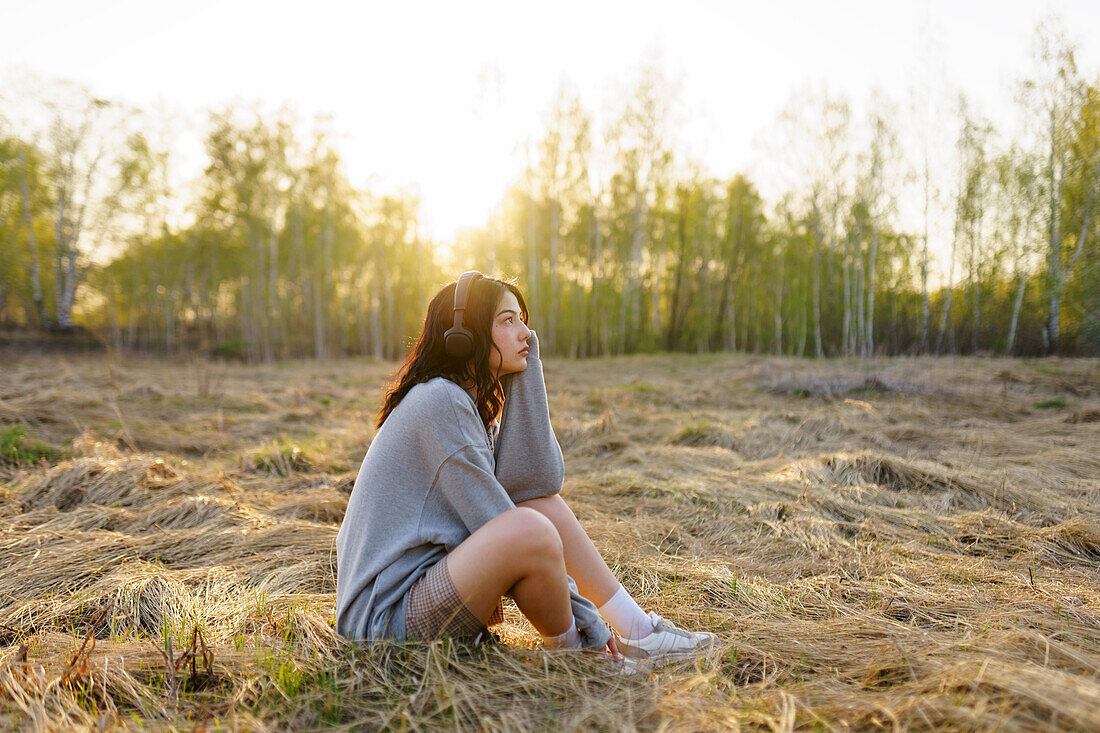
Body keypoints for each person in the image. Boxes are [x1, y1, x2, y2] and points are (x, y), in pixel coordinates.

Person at [336, 271, 715, 665]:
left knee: (538, 510)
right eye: (507, 321)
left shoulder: (466, 403)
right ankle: (584, 660)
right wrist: (591, 625)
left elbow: (535, 483)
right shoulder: (441, 403)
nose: (527, 334)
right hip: (381, 626)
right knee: (528, 528)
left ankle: (640, 632)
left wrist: (526, 371)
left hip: (415, 598)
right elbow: (504, 525)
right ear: (463, 337)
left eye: (523, 320)